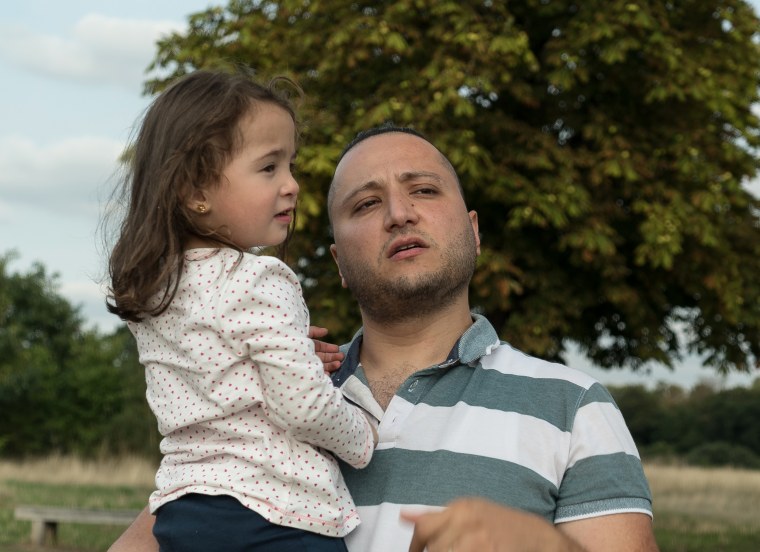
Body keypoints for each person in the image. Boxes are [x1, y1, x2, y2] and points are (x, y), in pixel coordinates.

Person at [109, 123, 658, 551]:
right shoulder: (251, 402)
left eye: (423, 189)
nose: (399, 213)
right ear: (338, 263)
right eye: (366, 204)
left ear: (472, 231)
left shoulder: (574, 405)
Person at [104, 69, 376, 552]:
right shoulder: (256, 279)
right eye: (269, 168)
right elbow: (304, 405)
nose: (291, 184)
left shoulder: (156, 290)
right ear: (196, 191)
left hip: (181, 511)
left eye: (289, 166)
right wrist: (362, 437)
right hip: (274, 516)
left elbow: (219, 379)